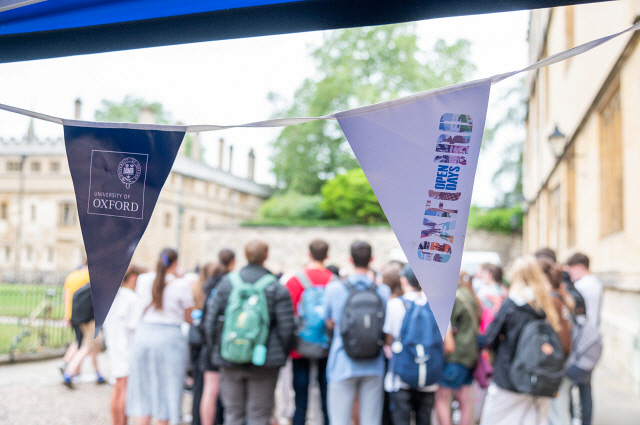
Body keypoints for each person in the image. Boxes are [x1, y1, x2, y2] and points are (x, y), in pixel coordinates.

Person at [204, 240, 295, 425]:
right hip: (264, 361)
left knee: (233, 414)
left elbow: (210, 322)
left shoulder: (227, 283)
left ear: (244, 256)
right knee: (259, 416)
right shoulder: (276, 287)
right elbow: (287, 329)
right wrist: (279, 355)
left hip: (230, 359)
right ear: (266, 256)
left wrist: (219, 349)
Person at [481, 257, 571, 425]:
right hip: (538, 377)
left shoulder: (512, 304)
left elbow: (489, 338)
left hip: (508, 377)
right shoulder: (546, 303)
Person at [323, 240, 391, 425]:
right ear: (372, 259)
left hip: (342, 360)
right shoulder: (383, 291)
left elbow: (327, 320)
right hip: (374, 362)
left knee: (339, 419)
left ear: (350, 259)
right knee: (371, 420)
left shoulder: (335, 288)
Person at [127, 248, 195, 425]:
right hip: (169, 338)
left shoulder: (143, 280)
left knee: (143, 389)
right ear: (175, 263)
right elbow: (189, 318)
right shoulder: (181, 284)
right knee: (167, 388)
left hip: (145, 335)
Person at [284, 239, 335, 425]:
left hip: (300, 345)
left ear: (308, 254)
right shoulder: (334, 281)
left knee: (300, 397)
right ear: (327, 256)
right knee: (326, 394)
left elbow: (287, 314)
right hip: (326, 344)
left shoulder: (294, 280)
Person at [383, 264, 437, 425]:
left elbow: (389, 339)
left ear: (404, 280)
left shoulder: (395, 304)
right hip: (429, 376)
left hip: (400, 376)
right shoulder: (436, 305)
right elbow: (447, 344)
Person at [435, 271, 480, 425]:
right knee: (464, 398)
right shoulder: (472, 297)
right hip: (470, 353)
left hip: (456, 354)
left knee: (442, 397)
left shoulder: (456, 298)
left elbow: (447, 325)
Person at [198, 249, 236, 425]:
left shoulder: (210, 283)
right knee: (227, 391)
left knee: (210, 389)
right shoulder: (231, 284)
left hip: (210, 343)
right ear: (233, 262)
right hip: (226, 343)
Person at [103, 265, 144, 425]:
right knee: (124, 388)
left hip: (114, 345)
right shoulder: (132, 299)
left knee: (118, 387)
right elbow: (136, 325)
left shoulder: (110, 297)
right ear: (133, 277)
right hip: (127, 346)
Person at [565, 253, 603, 425]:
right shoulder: (597, 284)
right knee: (585, 388)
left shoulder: (580, 286)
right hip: (592, 342)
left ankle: (573, 419)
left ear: (579, 267)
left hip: (580, 343)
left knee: (568, 386)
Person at [539, 259, 574, 425]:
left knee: (557, 411)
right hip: (564, 356)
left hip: (557, 359)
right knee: (559, 408)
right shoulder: (561, 296)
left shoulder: (552, 299)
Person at [62, 280, 106, 388]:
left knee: (95, 347)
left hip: (82, 320)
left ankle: (98, 374)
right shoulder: (99, 289)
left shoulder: (86, 287)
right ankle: (69, 373)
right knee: (86, 348)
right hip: (91, 322)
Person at [59, 259, 90, 375]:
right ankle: (69, 366)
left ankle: (72, 367)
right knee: (82, 344)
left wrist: (66, 315)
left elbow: (65, 295)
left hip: (71, 313)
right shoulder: (89, 277)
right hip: (84, 315)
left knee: (78, 340)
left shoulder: (71, 276)